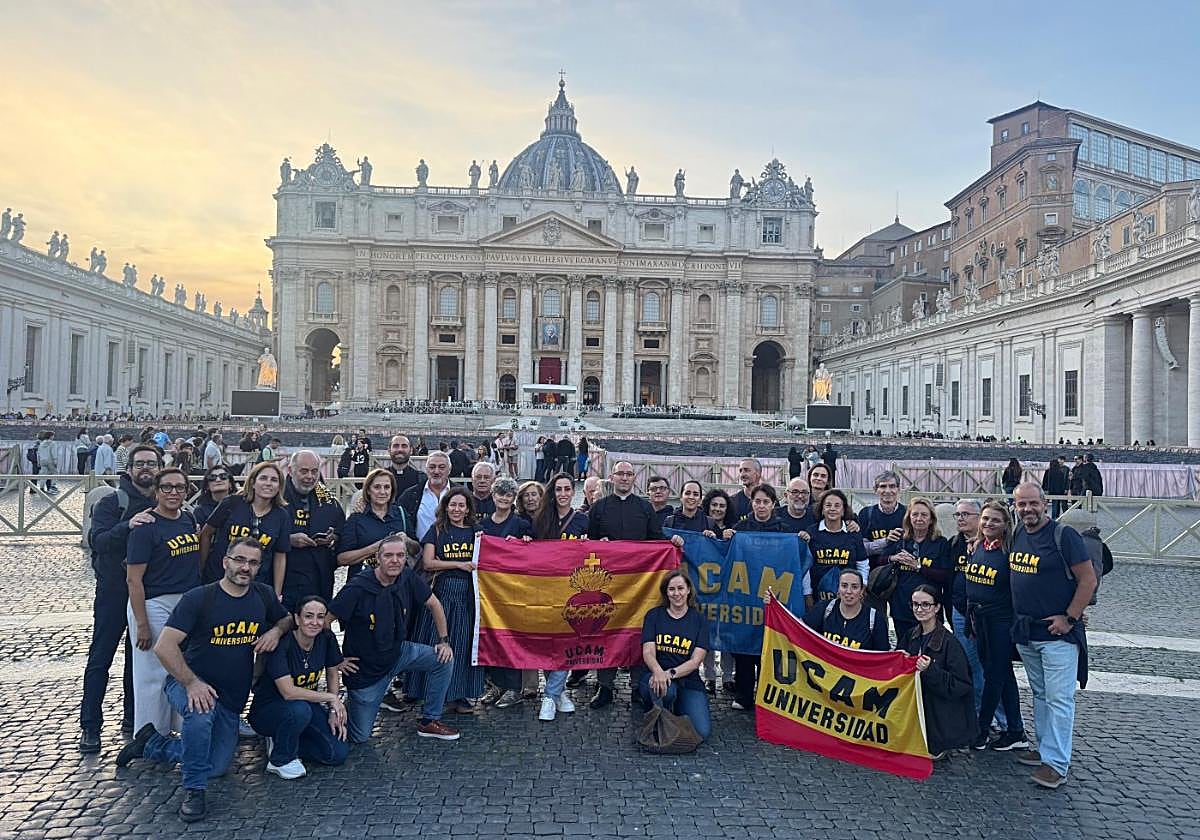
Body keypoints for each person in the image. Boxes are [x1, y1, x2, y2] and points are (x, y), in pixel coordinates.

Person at [116, 539, 290, 822]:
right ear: (225, 562)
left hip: (231, 698)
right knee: (201, 712)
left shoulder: (264, 595)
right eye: (239, 560)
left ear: (259, 567)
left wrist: (275, 632)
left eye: (253, 562)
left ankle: (151, 744)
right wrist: (191, 683)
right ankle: (194, 791)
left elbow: (286, 620)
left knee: (216, 766)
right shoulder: (200, 598)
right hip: (188, 684)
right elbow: (164, 646)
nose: (245, 567)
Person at [328, 534, 459, 744]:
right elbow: (324, 622)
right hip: (367, 671)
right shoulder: (357, 588)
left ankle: (429, 720)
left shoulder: (406, 576)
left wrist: (444, 641)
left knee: (444, 659)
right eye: (388, 555)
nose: (395, 560)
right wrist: (336, 660)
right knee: (359, 737)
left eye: (400, 555)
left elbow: (435, 604)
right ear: (377, 558)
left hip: (399, 653)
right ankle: (348, 702)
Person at [1009, 482, 1096, 789]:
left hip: (1058, 634)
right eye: (1022, 505)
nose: (1027, 509)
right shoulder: (1018, 532)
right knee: (1041, 694)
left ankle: (1057, 763)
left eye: (1033, 503)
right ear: (1015, 507)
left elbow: (1088, 579)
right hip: (1028, 632)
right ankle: (1045, 749)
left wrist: (1070, 617)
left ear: (1044, 503)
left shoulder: (1064, 536)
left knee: (1059, 699)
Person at [79, 444, 160, 753]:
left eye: (151, 464)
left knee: (138, 660)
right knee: (101, 657)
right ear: (129, 469)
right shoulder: (112, 502)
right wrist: (129, 524)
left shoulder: (164, 502)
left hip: (147, 593)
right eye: (140, 464)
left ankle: (133, 718)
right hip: (113, 591)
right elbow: (96, 541)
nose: (145, 469)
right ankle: (90, 725)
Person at [125, 468, 201, 739]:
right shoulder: (145, 527)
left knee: (182, 667)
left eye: (179, 487)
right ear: (157, 491)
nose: (173, 492)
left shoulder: (188, 520)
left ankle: (182, 726)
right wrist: (142, 623)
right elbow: (134, 579)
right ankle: (150, 734)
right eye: (167, 487)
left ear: (186, 491)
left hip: (185, 603)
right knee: (152, 673)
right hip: (153, 603)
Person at [585, 460, 665, 709]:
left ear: (634, 479)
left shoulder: (645, 507)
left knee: (637, 633)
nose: (624, 478)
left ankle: (637, 686)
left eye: (629, 474)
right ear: (612, 476)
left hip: (639, 586)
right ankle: (605, 686)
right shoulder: (598, 508)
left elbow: (656, 542)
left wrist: (671, 542)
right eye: (620, 474)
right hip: (607, 584)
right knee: (605, 632)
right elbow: (590, 544)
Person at [723, 484, 812, 711]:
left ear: (773, 504)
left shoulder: (785, 530)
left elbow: (800, 560)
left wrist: (801, 541)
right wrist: (727, 536)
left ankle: (765, 693)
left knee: (770, 645)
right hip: (745, 597)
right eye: (757, 502)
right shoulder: (741, 527)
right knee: (744, 645)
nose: (761, 506)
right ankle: (744, 694)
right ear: (752, 503)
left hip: (775, 597)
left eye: (765, 502)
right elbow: (726, 554)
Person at [247, 595, 349, 779]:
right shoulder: (282, 644)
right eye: (308, 616)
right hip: (269, 709)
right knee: (299, 710)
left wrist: (334, 710)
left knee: (336, 753)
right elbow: (288, 692)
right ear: (297, 618)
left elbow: (333, 672)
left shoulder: (326, 637)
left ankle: (284, 741)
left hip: (305, 706)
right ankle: (279, 759)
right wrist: (331, 698)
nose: (315, 622)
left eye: (320, 616)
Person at [407, 488, 483, 715]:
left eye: (461, 505)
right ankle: (430, 693)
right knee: (437, 643)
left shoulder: (477, 532)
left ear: (468, 508)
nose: (456, 510)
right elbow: (428, 563)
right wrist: (458, 564)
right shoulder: (437, 529)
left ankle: (458, 694)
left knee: (462, 644)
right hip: (442, 593)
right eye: (452, 505)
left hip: (468, 595)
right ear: (445, 507)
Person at [964, 501, 1029, 752]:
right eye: (985, 519)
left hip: (1001, 621)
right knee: (1004, 677)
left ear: (1006, 525)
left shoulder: (1010, 552)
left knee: (994, 676)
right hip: (979, 620)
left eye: (995, 520)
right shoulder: (979, 547)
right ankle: (1015, 730)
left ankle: (981, 731)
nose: (989, 523)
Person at [530, 473, 589, 719]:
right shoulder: (541, 519)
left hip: (573, 589)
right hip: (546, 588)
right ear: (552, 493)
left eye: (567, 489)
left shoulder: (583, 520)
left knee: (568, 640)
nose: (563, 493)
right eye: (558, 489)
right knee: (546, 640)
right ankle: (558, 692)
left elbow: (597, 551)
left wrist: (594, 543)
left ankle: (550, 694)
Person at [898, 584, 976, 761]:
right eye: (915, 604)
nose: (920, 609)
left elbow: (961, 685)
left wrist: (931, 671)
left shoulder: (951, 643)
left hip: (939, 716)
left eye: (926, 604)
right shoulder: (910, 635)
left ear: (937, 608)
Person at [637, 570, 712, 741]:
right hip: (655, 676)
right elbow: (648, 651)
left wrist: (669, 673)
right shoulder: (654, 616)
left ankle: (678, 706)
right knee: (665, 690)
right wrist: (658, 671)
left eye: (680, 588)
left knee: (702, 732)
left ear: (688, 591)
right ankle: (654, 709)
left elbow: (695, 661)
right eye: (671, 589)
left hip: (687, 679)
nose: (676, 593)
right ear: (666, 592)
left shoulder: (699, 620)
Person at [198, 461, 291, 596]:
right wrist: (201, 568)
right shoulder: (232, 503)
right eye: (263, 478)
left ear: (279, 486)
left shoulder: (281, 515)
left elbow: (280, 555)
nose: (268, 483)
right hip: (219, 577)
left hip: (256, 583)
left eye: (274, 480)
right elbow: (206, 533)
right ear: (253, 482)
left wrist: (276, 593)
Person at [880, 497, 952, 640]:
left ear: (931, 519)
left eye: (924, 515)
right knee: (904, 645)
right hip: (901, 604)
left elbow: (945, 575)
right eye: (915, 514)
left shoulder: (940, 542)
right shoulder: (900, 538)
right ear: (909, 517)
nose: (919, 518)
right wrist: (893, 558)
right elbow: (879, 561)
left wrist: (919, 567)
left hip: (929, 607)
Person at [282, 450, 346, 607]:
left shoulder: (330, 501)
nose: (309, 477)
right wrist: (287, 540)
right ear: (290, 471)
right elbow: (256, 536)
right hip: (284, 578)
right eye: (304, 471)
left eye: (314, 471)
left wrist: (334, 538)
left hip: (319, 578)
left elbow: (342, 532)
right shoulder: (275, 498)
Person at [339, 468, 414, 582]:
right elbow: (342, 559)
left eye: (387, 487)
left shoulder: (400, 513)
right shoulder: (357, 518)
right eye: (377, 487)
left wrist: (407, 540)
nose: (382, 492)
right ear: (368, 490)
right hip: (364, 584)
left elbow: (417, 549)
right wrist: (376, 548)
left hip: (398, 584)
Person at [800, 488, 868, 604]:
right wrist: (808, 594)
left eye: (837, 505)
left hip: (849, 597)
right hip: (818, 597)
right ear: (822, 509)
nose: (832, 509)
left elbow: (862, 563)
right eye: (828, 505)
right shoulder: (812, 532)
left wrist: (863, 587)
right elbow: (806, 568)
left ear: (843, 511)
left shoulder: (853, 532)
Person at [802, 569, 888, 651]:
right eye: (844, 586)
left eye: (854, 587)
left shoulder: (875, 619)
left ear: (862, 591)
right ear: (838, 589)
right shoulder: (824, 608)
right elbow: (800, 629)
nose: (849, 591)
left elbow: (883, 656)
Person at [398, 451, 451, 543]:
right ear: (426, 469)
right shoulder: (410, 495)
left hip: (452, 553)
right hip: (419, 552)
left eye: (441, 467)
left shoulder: (461, 494)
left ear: (449, 470)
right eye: (432, 467)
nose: (436, 471)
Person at [858, 471, 906, 568]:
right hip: (874, 571)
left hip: (902, 570)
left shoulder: (908, 513)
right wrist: (886, 541)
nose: (888, 491)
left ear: (899, 489)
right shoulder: (866, 514)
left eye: (892, 486)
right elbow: (861, 549)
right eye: (883, 486)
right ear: (875, 490)